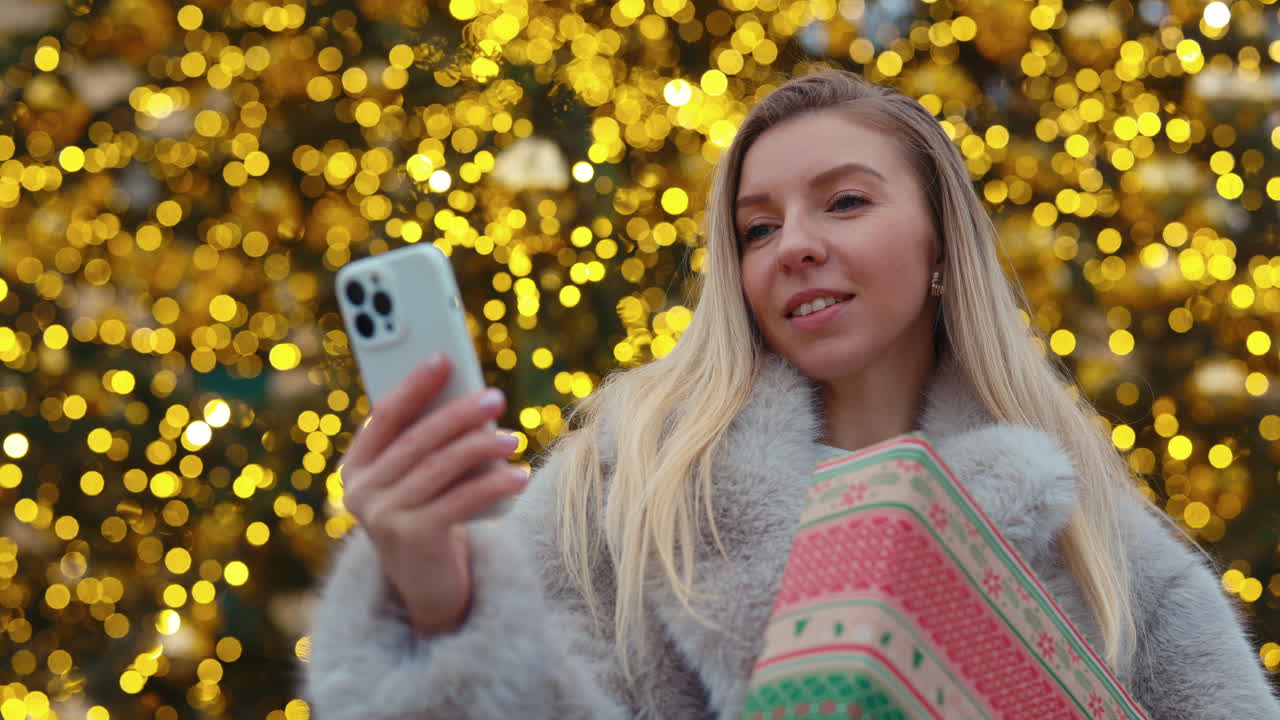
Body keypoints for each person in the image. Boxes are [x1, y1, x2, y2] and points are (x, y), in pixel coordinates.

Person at [302, 69, 1280, 718]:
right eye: (755, 228)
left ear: (939, 240)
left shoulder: (1103, 548)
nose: (793, 245)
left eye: (844, 202)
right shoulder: (625, 486)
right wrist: (434, 601)